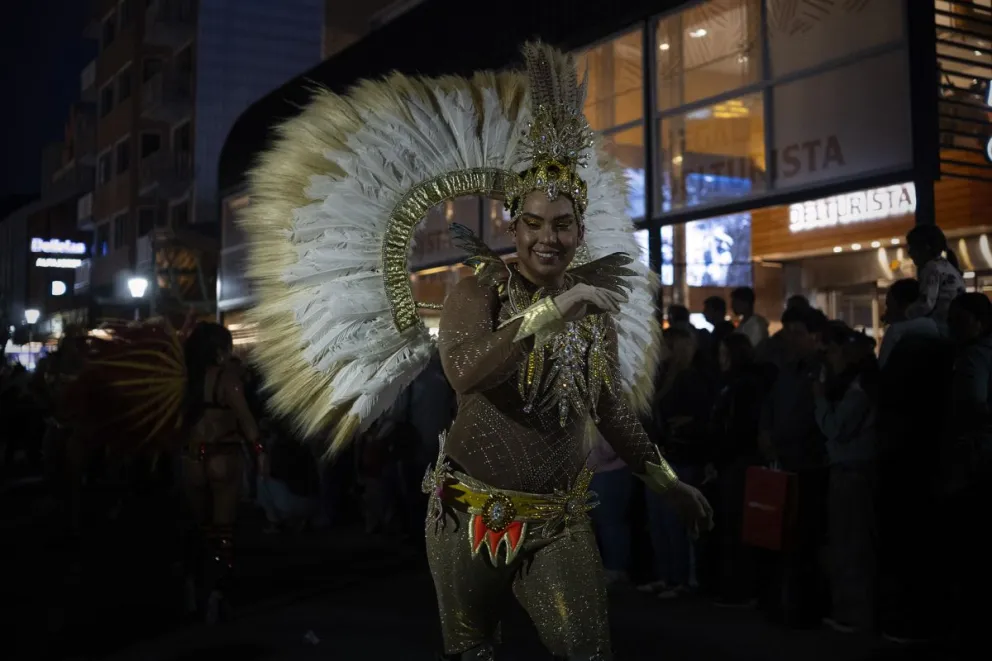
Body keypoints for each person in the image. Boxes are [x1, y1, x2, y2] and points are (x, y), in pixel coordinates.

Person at [242, 42, 711, 661]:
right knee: (473, 652)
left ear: (578, 229)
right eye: (536, 224)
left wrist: (666, 480)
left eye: (564, 224)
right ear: (512, 227)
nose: (550, 237)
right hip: (468, 517)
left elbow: (608, 406)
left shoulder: (594, 308)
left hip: (560, 520)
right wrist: (551, 311)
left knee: (589, 652)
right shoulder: (478, 292)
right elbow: (464, 373)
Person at [180, 322, 263, 623]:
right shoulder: (228, 379)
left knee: (200, 526)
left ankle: (191, 585)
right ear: (218, 350)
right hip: (223, 456)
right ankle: (219, 592)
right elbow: (247, 421)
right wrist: (260, 453)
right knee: (224, 530)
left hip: (192, 457)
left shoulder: (183, 379)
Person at [814, 323, 878, 634]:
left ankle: (853, 612)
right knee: (849, 541)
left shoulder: (859, 387)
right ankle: (851, 609)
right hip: (852, 470)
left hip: (852, 471)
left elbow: (836, 428)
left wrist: (820, 399)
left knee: (850, 542)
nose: (830, 357)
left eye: (835, 350)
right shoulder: (856, 383)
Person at [905, 224, 965, 333]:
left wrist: (905, 314)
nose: (909, 253)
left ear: (926, 247)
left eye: (911, 247)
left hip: (941, 326)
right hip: (954, 325)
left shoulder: (931, 267)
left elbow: (926, 304)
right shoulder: (947, 266)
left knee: (897, 330)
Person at [878, 278, 940, 368]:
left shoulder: (896, 332)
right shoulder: (934, 327)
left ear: (904, 305)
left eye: (889, 305)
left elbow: (882, 370)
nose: (886, 313)